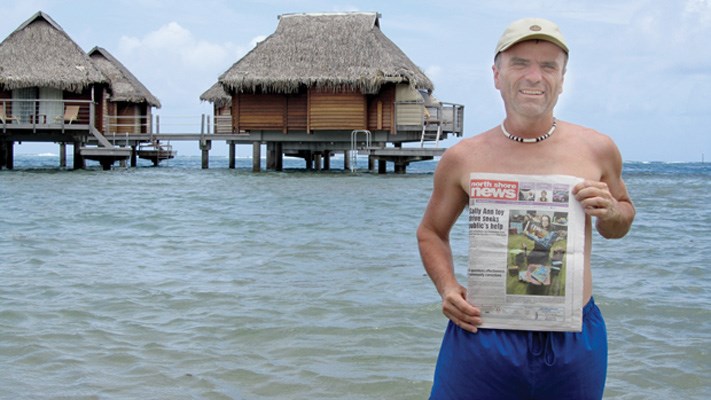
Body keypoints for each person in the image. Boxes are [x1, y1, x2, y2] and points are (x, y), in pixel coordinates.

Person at [416, 17, 635, 400]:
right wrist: (447, 287)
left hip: (573, 334)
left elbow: (620, 221)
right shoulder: (463, 157)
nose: (534, 76)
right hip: (482, 329)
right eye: (520, 63)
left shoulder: (598, 148)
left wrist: (613, 213)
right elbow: (432, 231)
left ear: (563, 78)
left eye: (548, 65)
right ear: (496, 74)